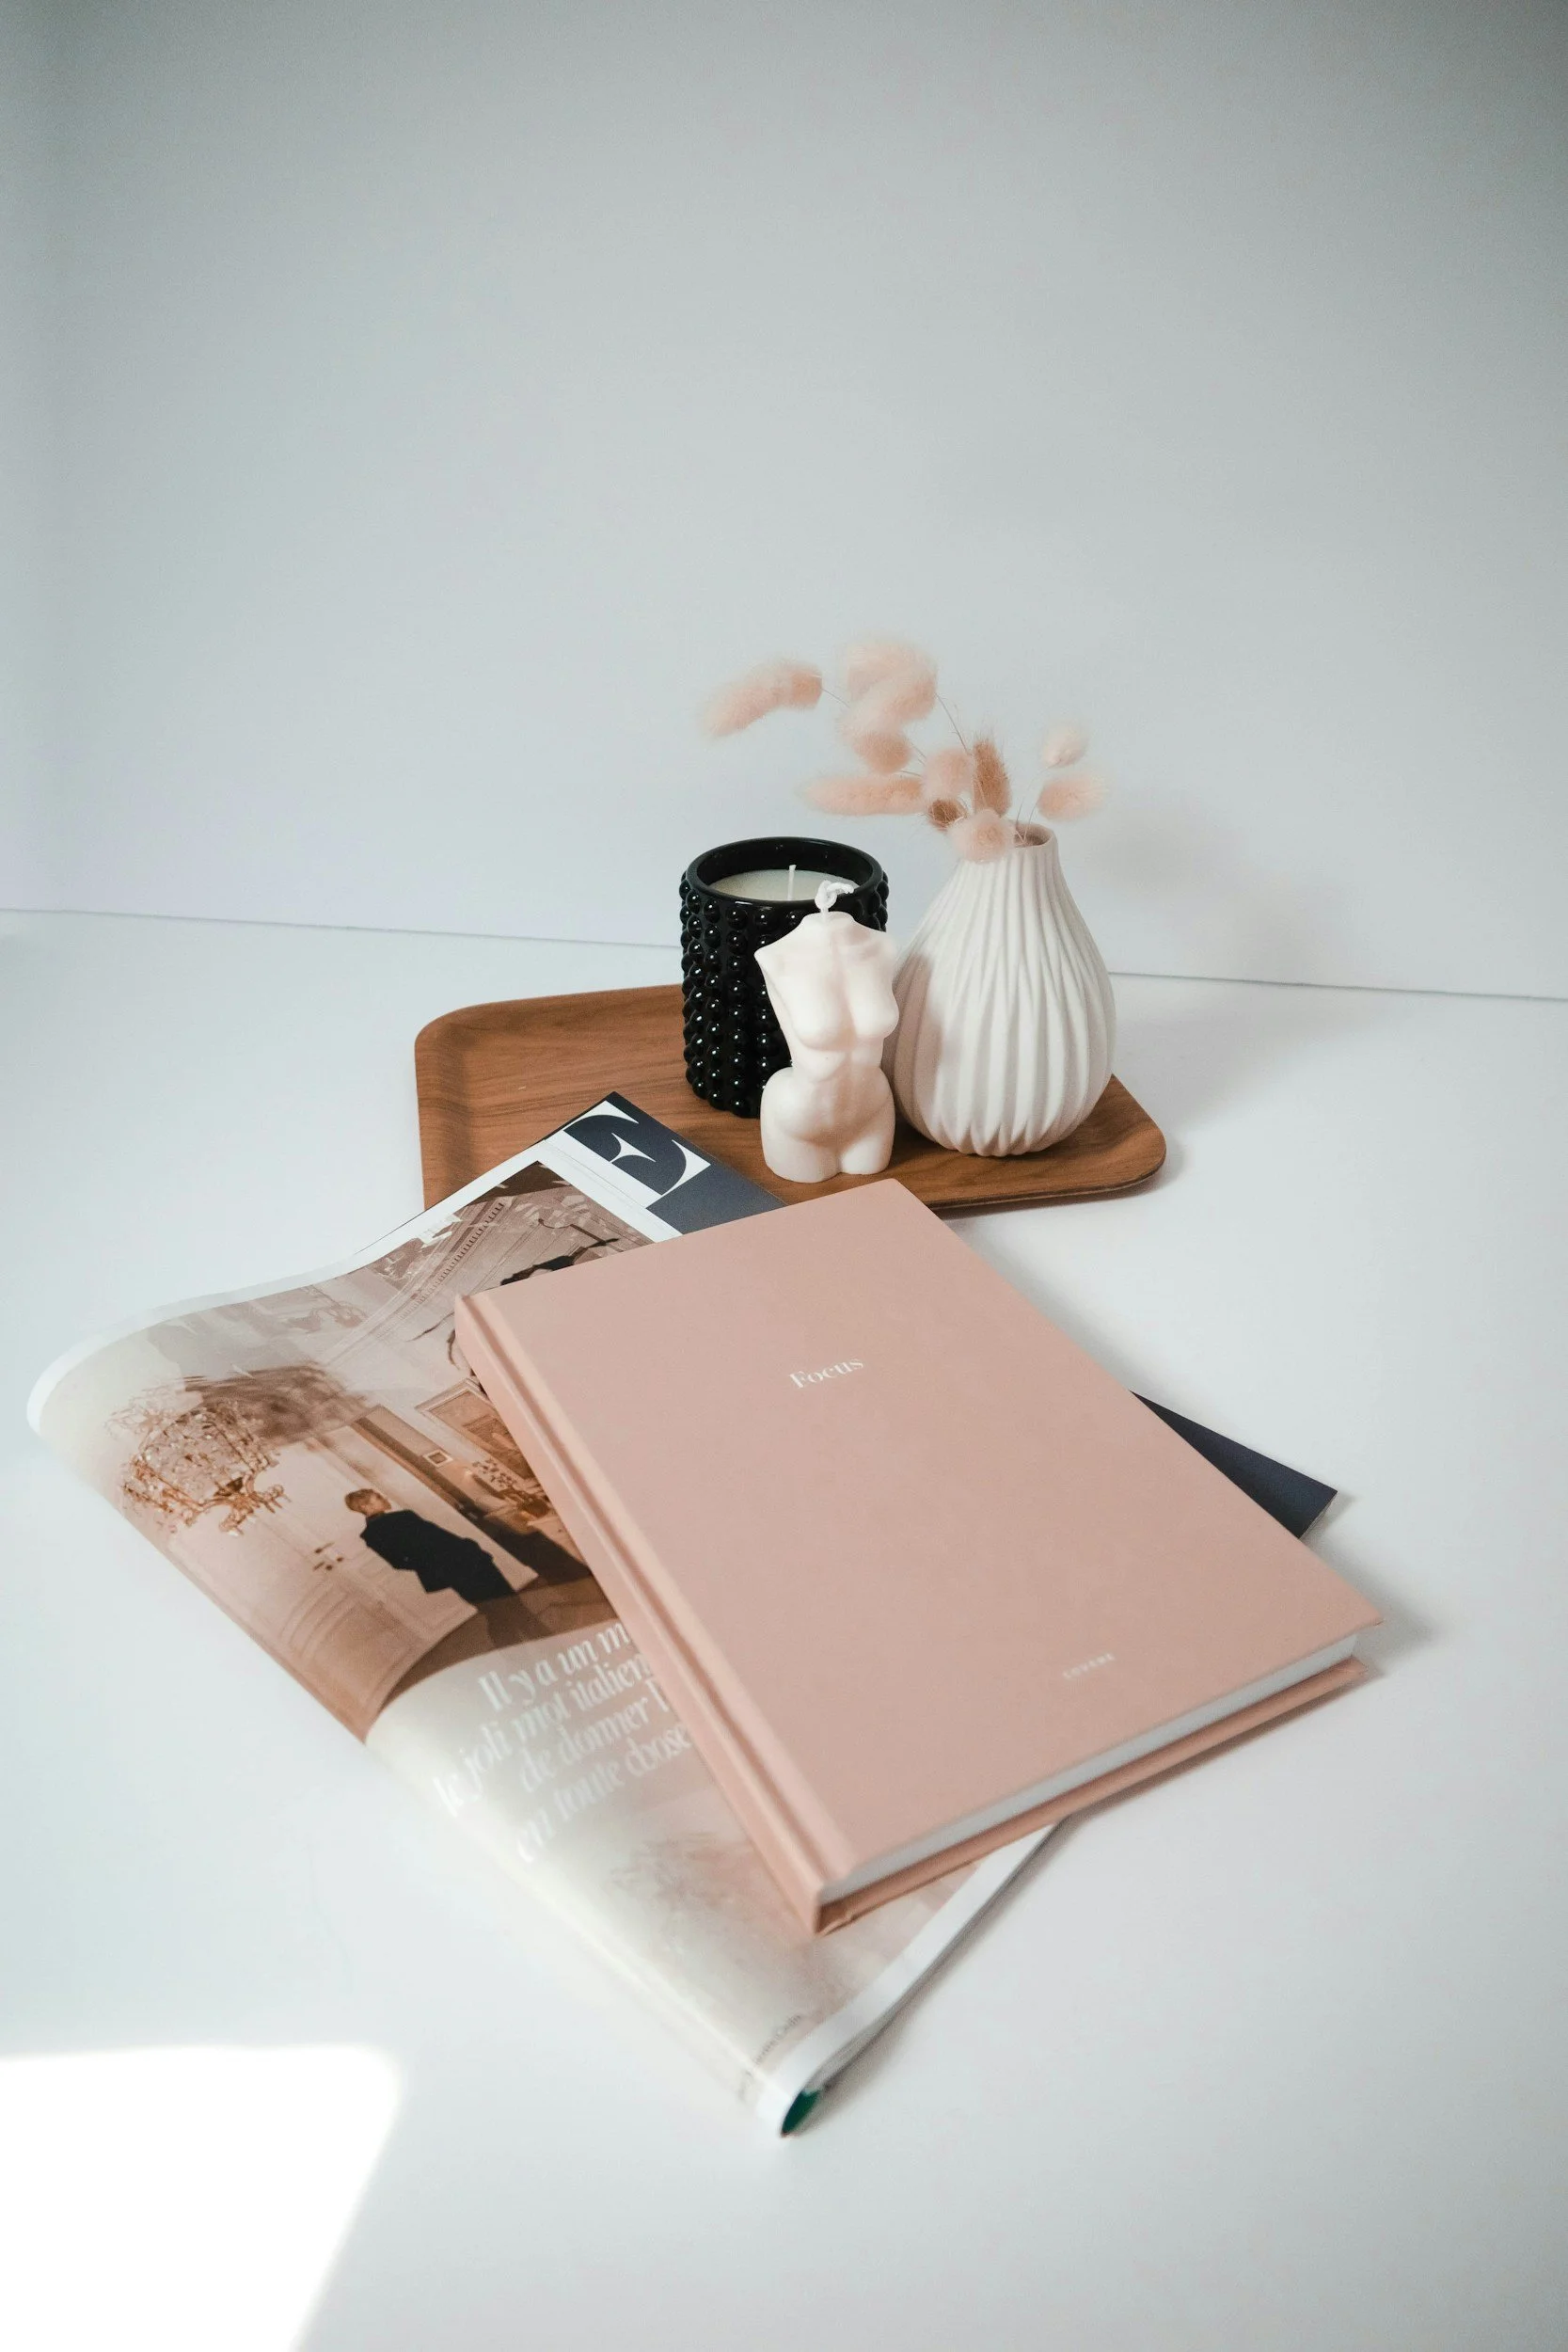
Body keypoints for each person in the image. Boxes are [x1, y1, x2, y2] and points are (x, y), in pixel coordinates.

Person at [343, 1488, 513, 1606]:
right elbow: (441, 1539)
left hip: (448, 1574)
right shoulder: (404, 1517)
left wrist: (434, 1566)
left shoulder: (370, 1535)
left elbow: (398, 1563)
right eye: (379, 1497)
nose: (384, 1498)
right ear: (366, 1507)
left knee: (492, 1611)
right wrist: (468, 1547)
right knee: (511, 1602)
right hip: (468, 1562)